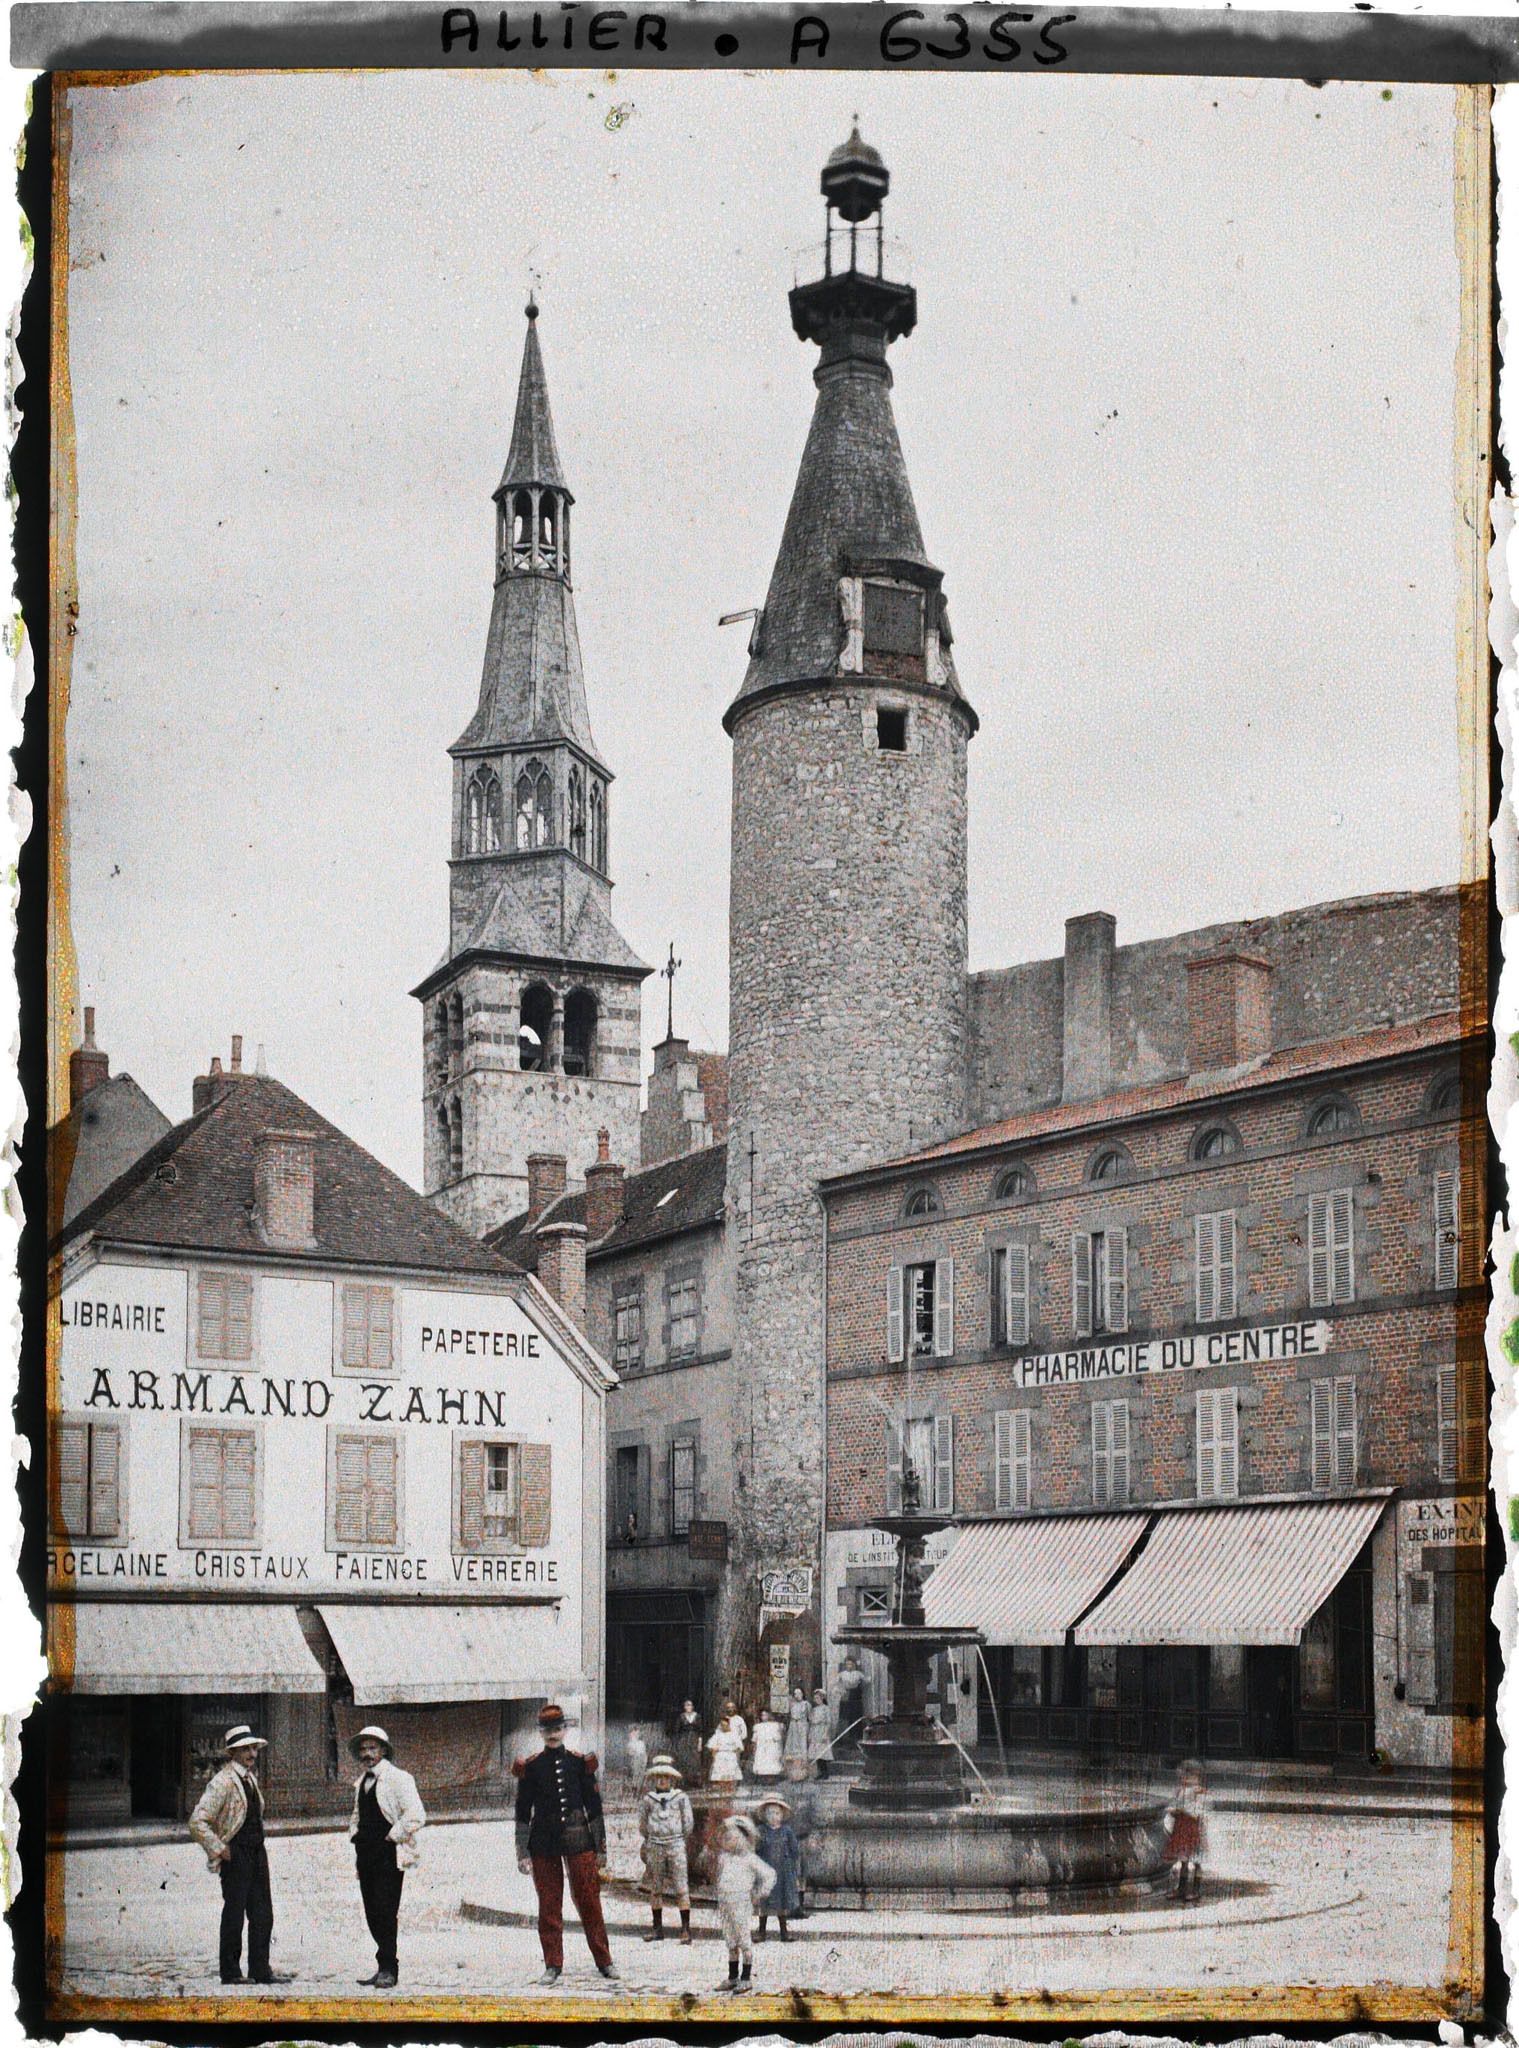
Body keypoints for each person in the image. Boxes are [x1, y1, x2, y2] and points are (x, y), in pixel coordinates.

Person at [513, 1701, 618, 1984]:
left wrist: (601, 1847)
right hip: (543, 1843)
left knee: (589, 1901)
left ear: (565, 1729)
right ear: (540, 1733)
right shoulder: (531, 1767)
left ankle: (604, 1960)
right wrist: (522, 1851)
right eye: (547, 1730)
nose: (553, 1734)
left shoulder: (579, 1762)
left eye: (557, 1729)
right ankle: (553, 1965)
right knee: (549, 1905)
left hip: (579, 1838)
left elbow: (594, 1807)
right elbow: (522, 1811)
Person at [188, 1723, 294, 1986]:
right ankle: (231, 1972)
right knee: (234, 1913)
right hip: (236, 1854)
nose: (252, 1753)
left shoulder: (250, 1778)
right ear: (232, 1752)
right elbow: (197, 1821)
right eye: (245, 1748)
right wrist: (219, 1848)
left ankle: (260, 1969)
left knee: (262, 1913)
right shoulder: (222, 1781)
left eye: (254, 1748)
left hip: (257, 1852)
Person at [346, 1724, 426, 1989]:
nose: (367, 1754)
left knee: (385, 1909)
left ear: (383, 1750)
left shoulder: (399, 1778)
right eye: (363, 1749)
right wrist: (354, 1833)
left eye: (372, 1748)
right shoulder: (362, 1782)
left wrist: (393, 1836)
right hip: (365, 1853)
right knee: (371, 1911)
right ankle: (381, 1966)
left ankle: (390, 1969)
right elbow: (357, 1814)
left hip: (388, 1854)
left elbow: (416, 1814)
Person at [713, 1812, 774, 1993]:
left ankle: (746, 1978)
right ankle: (733, 1977)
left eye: (731, 1838)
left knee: (743, 1940)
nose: (727, 1841)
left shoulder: (750, 1860)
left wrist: (758, 1893)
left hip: (741, 1903)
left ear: (742, 1839)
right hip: (725, 1903)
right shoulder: (724, 1858)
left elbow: (769, 1875)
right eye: (726, 1838)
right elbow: (720, 1876)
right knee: (730, 1940)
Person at [636, 1755, 694, 1944]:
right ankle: (657, 1928)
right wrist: (651, 1838)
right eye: (659, 1776)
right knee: (656, 1887)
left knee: (681, 1886)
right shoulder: (648, 1800)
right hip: (656, 1845)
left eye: (666, 1777)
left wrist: (677, 1838)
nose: (662, 1780)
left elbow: (688, 1823)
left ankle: (685, 1930)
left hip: (675, 1844)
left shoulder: (681, 1798)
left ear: (673, 1779)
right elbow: (643, 1824)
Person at [754, 1794, 802, 1942]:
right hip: (765, 1870)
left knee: (782, 1901)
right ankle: (761, 1931)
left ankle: (784, 1932)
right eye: (769, 1813)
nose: (773, 1816)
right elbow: (755, 1850)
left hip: (782, 1871)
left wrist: (795, 1872)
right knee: (765, 1902)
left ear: (782, 1815)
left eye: (776, 1813)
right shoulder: (761, 1830)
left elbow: (794, 1851)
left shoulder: (786, 1831)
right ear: (764, 1815)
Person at [1163, 1758, 1208, 1903]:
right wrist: (1173, 1810)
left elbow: (1199, 1812)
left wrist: (1184, 1809)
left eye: (1189, 1776)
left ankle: (1195, 1889)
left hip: (1194, 1830)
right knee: (1183, 1860)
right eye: (1182, 1776)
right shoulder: (1181, 1791)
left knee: (1196, 1860)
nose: (1185, 1779)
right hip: (1182, 1828)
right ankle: (1181, 1888)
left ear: (1197, 1777)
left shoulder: (1199, 1793)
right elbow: (1176, 1805)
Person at [706, 1710, 744, 1787]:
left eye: (725, 1725)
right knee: (720, 1773)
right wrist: (714, 1749)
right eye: (722, 1725)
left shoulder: (734, 1735)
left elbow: (740, 1747)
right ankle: (722, 1787)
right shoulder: (717, 1735)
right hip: (720, 1755)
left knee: (730, 1773)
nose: (724, 1727)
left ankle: (730, 1787)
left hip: (730, 1755)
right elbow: (710, 1746)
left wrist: (735, 1751)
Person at [836, 1655, 866, 1752]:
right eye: (847, 1664)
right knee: (845, 1718)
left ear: (854, 1664)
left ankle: (856, 1741)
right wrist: (840, 1691)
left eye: (851, 1664)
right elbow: (836, 1685)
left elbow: (867, 1681)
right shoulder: (842, 1674)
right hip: (845, 1697)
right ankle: (845, 1741)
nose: (849, 1665)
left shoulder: (858, 1674)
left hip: (855, 1696)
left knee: (855, 1718)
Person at [671, 1698, 703, 1784]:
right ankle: (684, 1780)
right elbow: (677, 1730)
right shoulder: (681, 1717)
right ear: (684, 1707)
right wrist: (677, 1742)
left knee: (695, 1760)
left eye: (690, 1705)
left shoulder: (697, 1716)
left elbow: (700, 1730)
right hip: (684, 1739)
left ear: (693, 1706)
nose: (688, 1707)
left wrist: (700, 1743)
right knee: (684, 1758)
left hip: (694, 1739)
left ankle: (695, 1780)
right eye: (686, 1705)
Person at [751, 1708, 784, 1781]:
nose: (764, 1717)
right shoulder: (758, 1726)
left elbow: (778, 1737)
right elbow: (755, 1738)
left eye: (765, 1715)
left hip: (771, 1745)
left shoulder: (774, 1725)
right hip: (761, 1746)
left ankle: (771, 1777)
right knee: (762, 1759)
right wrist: (754, 1746)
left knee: (771, 1759)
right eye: (762, 1715)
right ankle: (762, 1777)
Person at [807, 1687, 833, 1780]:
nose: (816, 1700)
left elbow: (828, 1722)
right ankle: (820, 1772)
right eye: (815, 1698)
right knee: (816, 1753)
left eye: (818, 1698)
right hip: (815, 1731)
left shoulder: (826, 1709)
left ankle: (825, 1772)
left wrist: (825, 1734)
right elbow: (811, 1723)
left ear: (822, 1698)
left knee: (822, 1752)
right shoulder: (814, 1710)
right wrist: (810, 1734)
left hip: (822, 1730)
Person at [783, 1687, 811, 1770]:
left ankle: (803, 1766)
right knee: (792, 1744)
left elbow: (810, 1717)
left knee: (802, 1744)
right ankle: (792, 1768)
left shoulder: (806, 1704)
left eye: (799, 1693)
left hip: (802, 1725)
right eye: (795, 1693)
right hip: (793, 1725)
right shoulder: (792, 1704)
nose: (797, 1695)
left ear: (802, 1694)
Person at [625, 1724, 649, 1794]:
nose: (637, 1734)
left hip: (642, 1759)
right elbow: (630, 1753)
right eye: (635, 1733)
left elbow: (644, 1753)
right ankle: (634, 1788)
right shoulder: (630, 1743)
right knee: (636, 1774)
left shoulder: (641, 1743)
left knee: (641, 1774)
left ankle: (638, 1789)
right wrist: (634, 1753)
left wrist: (645, 1760)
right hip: (635, 1759)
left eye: (638, 1733)